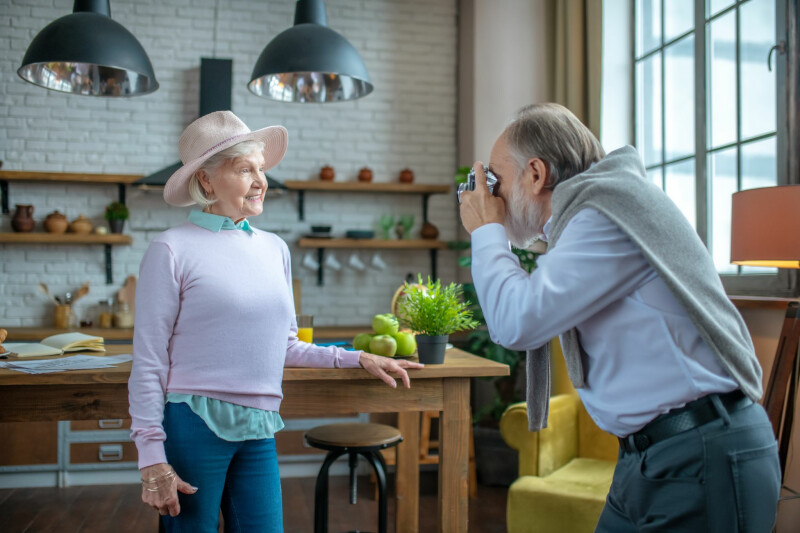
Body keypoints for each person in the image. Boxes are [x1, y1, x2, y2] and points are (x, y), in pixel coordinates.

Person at [458, 103, 781, 532]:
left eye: (495, 181)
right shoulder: (591, 218)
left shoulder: (604, 216)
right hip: (650, 459)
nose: (490, 195)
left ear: (535, 174)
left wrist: (486, 231)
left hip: (699, 455)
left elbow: (516, 320)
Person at [129, 110, 423, 532]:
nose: (260, 181)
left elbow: (284, 344)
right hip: (193, 423)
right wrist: (151, 458)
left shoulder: (274, 249)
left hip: (259, 423)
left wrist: (356, 358)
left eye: (260, 169)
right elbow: (149, 361)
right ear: (207, 180)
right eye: (244, 169)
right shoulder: (171, 249)